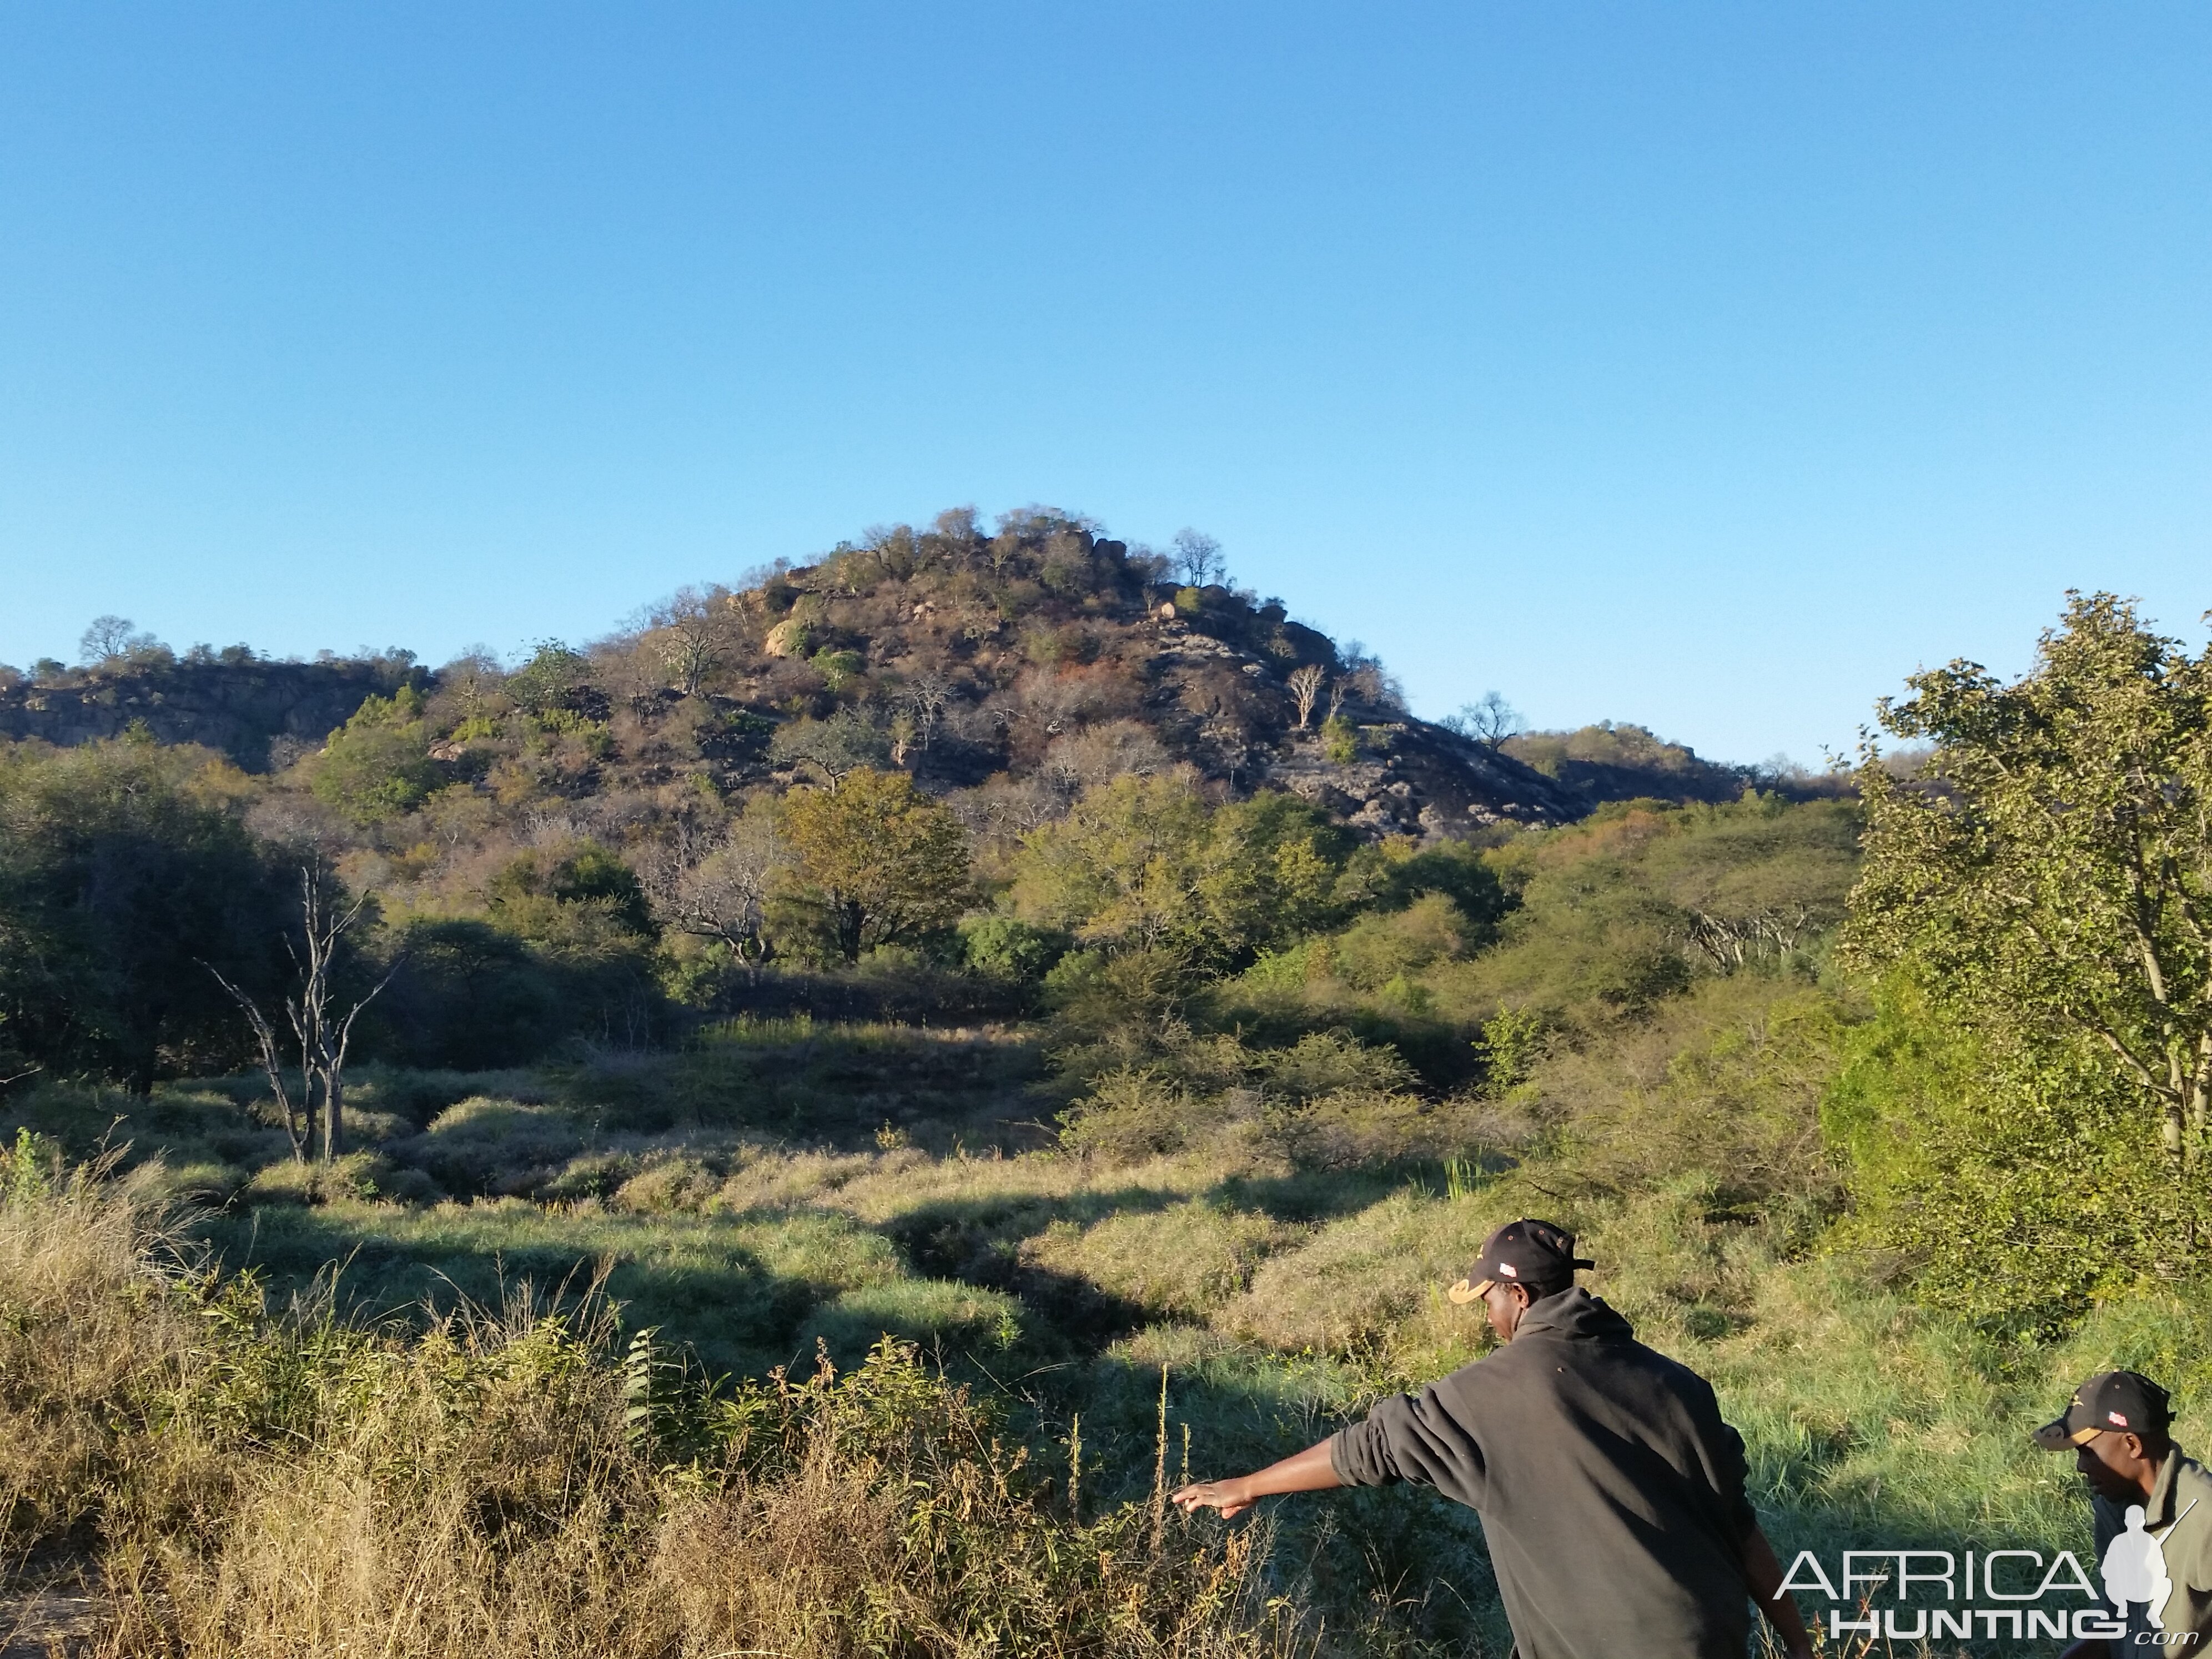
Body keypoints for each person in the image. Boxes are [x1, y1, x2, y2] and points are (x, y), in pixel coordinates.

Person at [1170, 1218, 1813, 1659]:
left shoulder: (1493, 1392)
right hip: (1712, 1636)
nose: (1487, 1315)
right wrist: (1799, 1643)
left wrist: (1247, 1485)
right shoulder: (1677, 1383)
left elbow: (1365, 1450)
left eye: (1487, 1300)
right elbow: (1741, 1528)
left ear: (1518, 1294)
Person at [2038, 1369, 2212, 1657]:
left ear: (2132, 1444)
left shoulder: (2203, 1516)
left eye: (2087, 1452)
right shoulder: (2113, 1508)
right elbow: (2117, 1616)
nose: (2081, 1467)